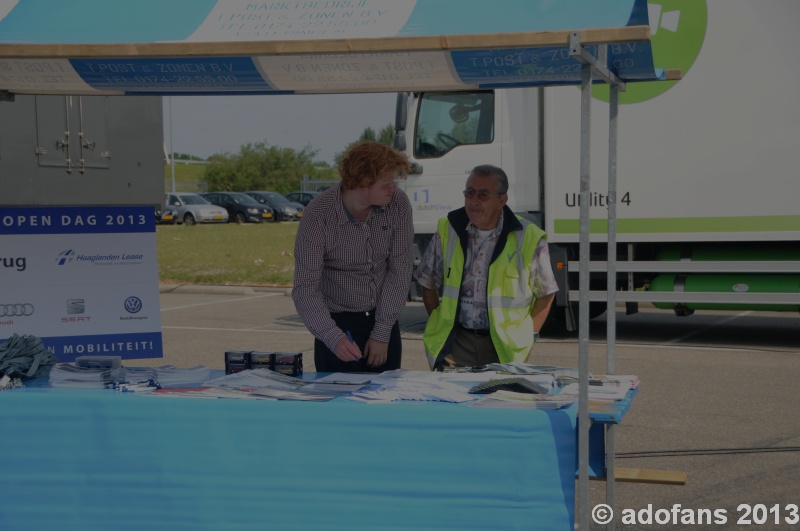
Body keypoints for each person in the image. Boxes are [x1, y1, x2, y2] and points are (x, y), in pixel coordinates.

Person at [413, 164, 558, 370]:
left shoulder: (528, 236)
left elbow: (546, 292)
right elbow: (426, 280)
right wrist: (439, 319)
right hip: (456, 346)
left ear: (502, 200)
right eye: (469, 193)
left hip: (505, 348)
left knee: (503, 401)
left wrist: (529, 335)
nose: (474, 201)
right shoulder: (448, 229)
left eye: (483, 195)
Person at [292, 141, 413, 373]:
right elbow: (305, 288)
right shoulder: (318, 215)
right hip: (337, 325)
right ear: (362, 183)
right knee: (339, 406)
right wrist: (332, 337)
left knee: (385, 402)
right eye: (386, 183)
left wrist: (382, 332)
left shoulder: (398, 205)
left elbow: (400, 269)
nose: (393, 189)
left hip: (383, 322)